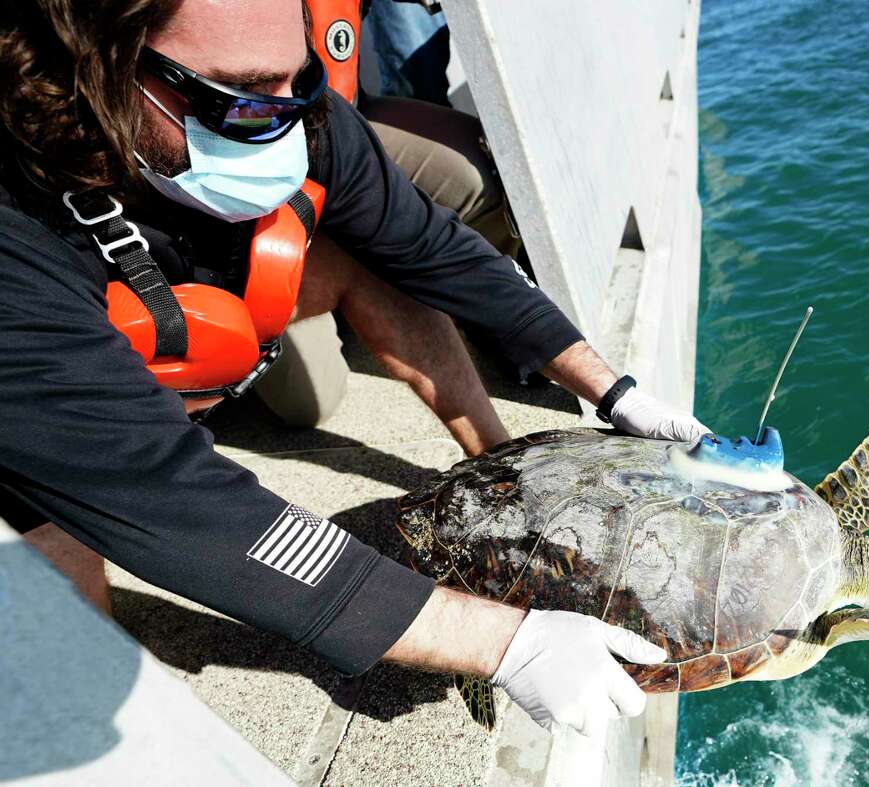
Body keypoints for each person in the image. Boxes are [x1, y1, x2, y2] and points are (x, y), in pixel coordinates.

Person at [0, 0, 709, 737]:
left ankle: (497, 456)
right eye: (243, 98)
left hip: (209, 332)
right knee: (70, 592)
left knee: (347, 312)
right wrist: (507, 642)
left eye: (296, 81)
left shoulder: (293, 111)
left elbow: (433, 248)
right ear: (102, 69)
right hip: (65, 396)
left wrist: (615, 390)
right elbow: (181, 506)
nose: (282, 119)